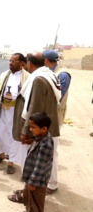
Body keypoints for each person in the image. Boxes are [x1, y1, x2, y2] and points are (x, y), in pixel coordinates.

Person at [13, 52, 60, 181]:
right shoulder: (49, 75)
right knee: (50, 158)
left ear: (29, 63)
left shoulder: (38, 79)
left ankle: (31, 190)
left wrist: (26, 131)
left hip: (38, 128)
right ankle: (50, 184)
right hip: (46, 125)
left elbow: (34, 107)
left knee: (31, 160)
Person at [0, 53, 30, 174]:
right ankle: (0, 155)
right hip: (3, 109)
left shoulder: (27, 78)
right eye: (10, 61)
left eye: (14, 61)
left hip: (16, 112)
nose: (10, 63)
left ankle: (11, 162)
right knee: (0, 133)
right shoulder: (4, 75)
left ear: (22, 63)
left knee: (13, 136)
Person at [9, 112, 54, 212]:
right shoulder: (42, 137)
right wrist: (31, 141)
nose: (30, 129)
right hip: (33, 177)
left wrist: (33, 182)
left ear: (44, 129)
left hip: (38, 181)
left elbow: (40, 167)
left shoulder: (46, 145)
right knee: (30, 199)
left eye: (33, 127)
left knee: (36, 203)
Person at [43, 49, 71, 194]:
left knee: (52, 152)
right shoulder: (51, 73)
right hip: (47, 118)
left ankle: (52, 184)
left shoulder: (62, 75)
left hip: (53, 119)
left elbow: (57, 100)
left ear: (46, 61)